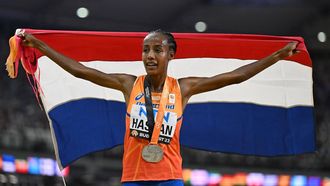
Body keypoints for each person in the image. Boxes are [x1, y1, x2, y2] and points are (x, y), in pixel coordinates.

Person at [20, 29, 298, 186]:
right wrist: (42, 46)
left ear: (170, 54)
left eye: (157, 50)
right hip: (133, 179)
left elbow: (237, 76)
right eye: (145, 50)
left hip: (170, 180)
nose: (150, 56)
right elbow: (80, 71)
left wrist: (277, 56)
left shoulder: (184, 88)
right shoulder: (129, 84)